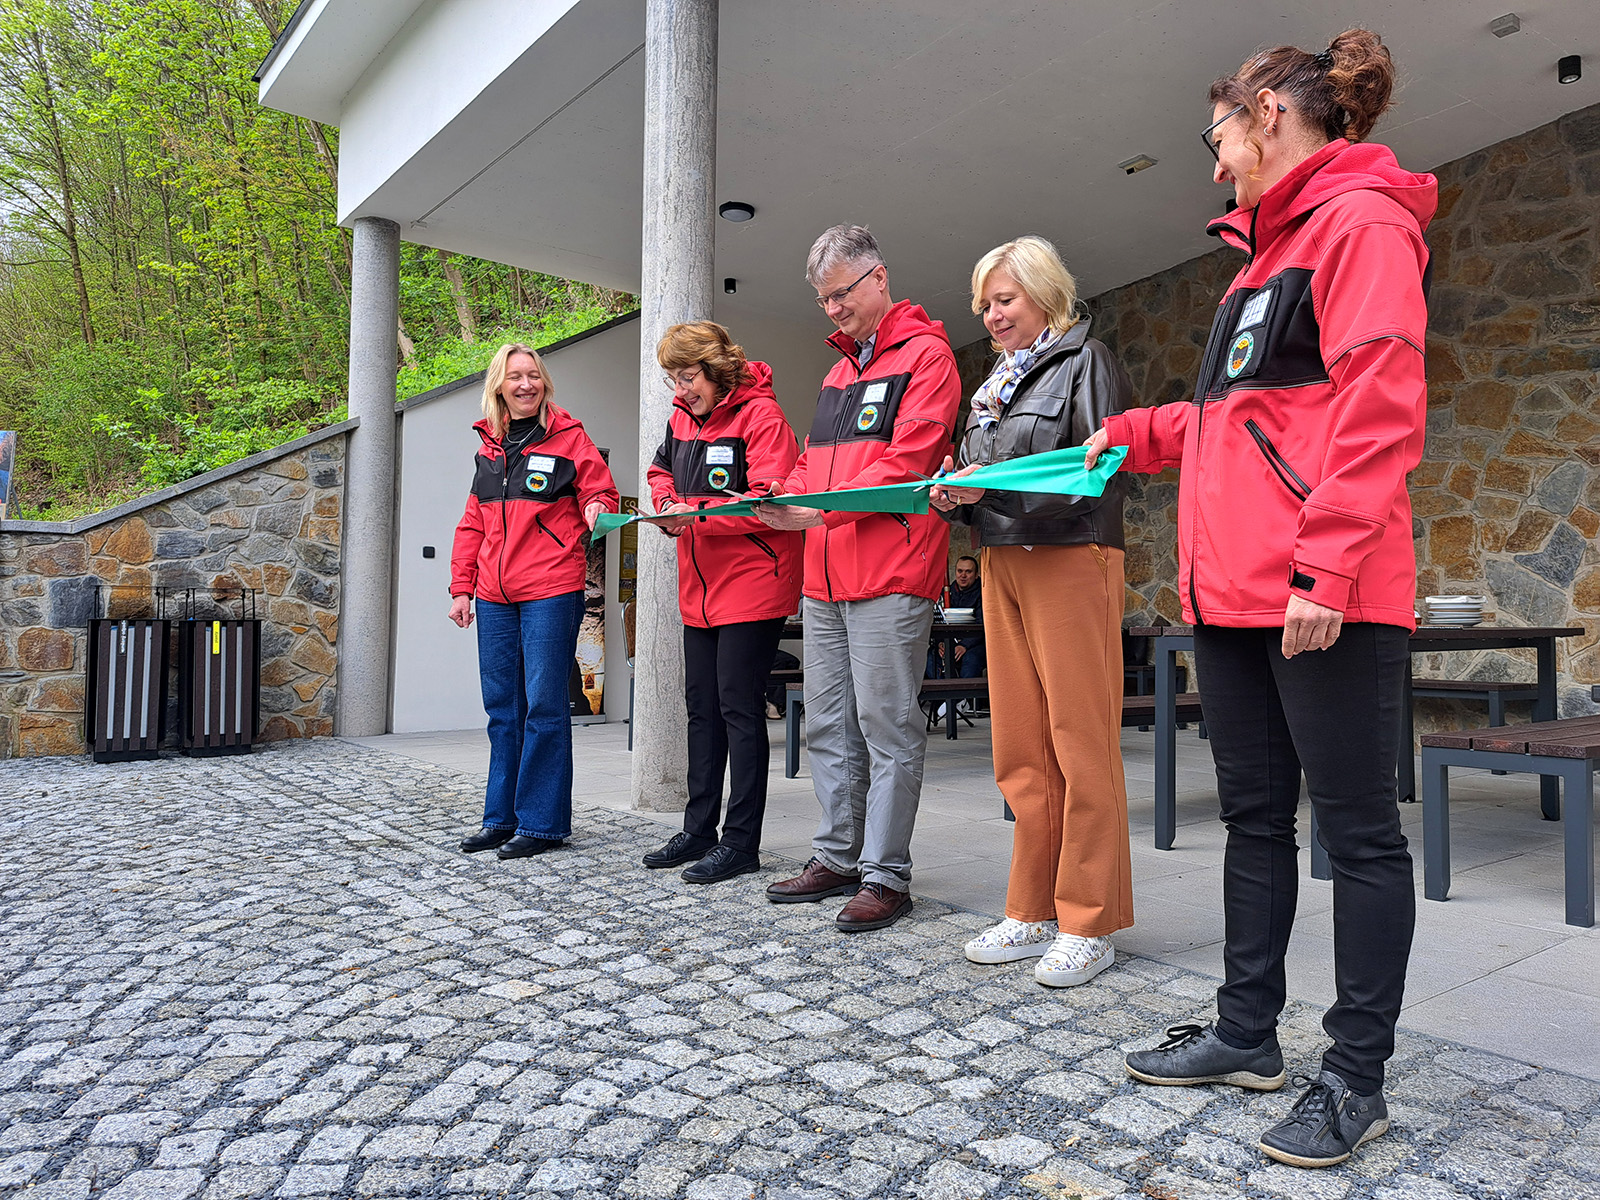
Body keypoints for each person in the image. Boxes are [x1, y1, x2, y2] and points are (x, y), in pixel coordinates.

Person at [1087, 30, 1434, 1169]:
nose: (1215, 156)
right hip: (1235, 597)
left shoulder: (1361, 225)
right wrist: (1130, 436)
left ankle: (1354, 1078)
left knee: (1358, 837)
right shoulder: (1255, 262)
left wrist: (1324, 568)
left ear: (1269, 118)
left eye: (1218, 132)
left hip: (1318, 592)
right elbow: (1238, 424)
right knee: (1251, 820)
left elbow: (1380, 406)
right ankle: (1247, 1034)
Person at [929, 235, 1133, 988]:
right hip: (1001, 557)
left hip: (1073, 555)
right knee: (1020, 748)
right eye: (985, 304)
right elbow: (983, 472)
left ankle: (1090, 921)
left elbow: (1104, 470)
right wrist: (955, 493)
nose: (992, 316)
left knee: (1081, 743)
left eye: (1005, 300)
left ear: (1045, 293)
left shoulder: (1089, 361)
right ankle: (1032, 908)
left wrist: (994, 489)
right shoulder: (992, 386)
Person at [756, 224, 962, 932]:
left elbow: (907, 464)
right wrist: (781, 494)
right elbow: (816, 465)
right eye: (822, 300)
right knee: (831, 725)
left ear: (878, 277)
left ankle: (886, 875)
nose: (833, 309)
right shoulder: (839, 374)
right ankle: (837, 857)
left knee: (887, 725)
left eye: (840, 293)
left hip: (891, 571)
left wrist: (814, 510)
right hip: (825, 576)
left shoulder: (928, 357)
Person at [640, 321, 803, 883]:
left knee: (739, 710)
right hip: (700, 590)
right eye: (673, 379)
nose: (681, 390)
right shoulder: (682, 419)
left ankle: (741, 842)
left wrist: (694, 515)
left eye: (688, 378)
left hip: (754, 585)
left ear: (717, 369)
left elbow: (768, 501)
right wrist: (665, 500)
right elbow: (661, 470)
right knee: (701, 710)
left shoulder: (762, 417)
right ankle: (698, 829)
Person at [449, 343, 618, 859]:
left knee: (545, 705)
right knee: (503, 708)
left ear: (544, 383)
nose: (526, 385)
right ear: (499, 385)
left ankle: (542, 824)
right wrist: (461, 586)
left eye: (534, 376)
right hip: (494, 595)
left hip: (550, 587)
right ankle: (500, 818)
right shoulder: (489, 447)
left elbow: (601, 491)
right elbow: (473, 522)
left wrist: (594, 510)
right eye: (515, 377)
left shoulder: (569, 436)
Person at [928, 556, 984, 682]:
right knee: (931, 658)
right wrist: (940, 644)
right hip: (949, 643)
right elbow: (938, 619)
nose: (963, 575)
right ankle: (945, 699)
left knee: (971, 661)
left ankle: (965, 699)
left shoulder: (983, 593)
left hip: (974, 644)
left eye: (968, 572)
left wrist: (964, 645)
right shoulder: (945, 593)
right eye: (960, 571)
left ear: (976, 575)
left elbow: (983, 623)